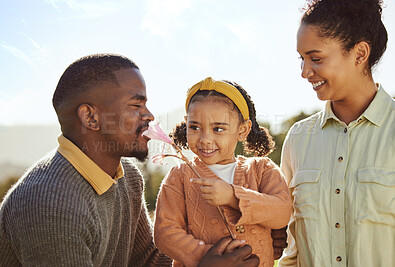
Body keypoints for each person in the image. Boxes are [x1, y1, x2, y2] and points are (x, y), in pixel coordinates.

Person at [0, 54, 261, 266]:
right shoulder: (50, 205)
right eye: (136, 106)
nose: (149, 116)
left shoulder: (127, 175)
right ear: (91, 117)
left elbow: (147, 260)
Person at [279, 0, 395, 266]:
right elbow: (291, 251)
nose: (304, 72)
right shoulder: (298, 140)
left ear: (359, 54)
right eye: (302, 58)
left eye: (316, 58)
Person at [154, 77, 292, 267]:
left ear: (242, 130)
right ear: (187, 124)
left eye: (218, 129)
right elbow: (165, 233)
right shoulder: (180, 176)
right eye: (195, 127)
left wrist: (234, 198)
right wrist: (208, 257)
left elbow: (282, 212)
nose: (205, 139)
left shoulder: (262, 169)